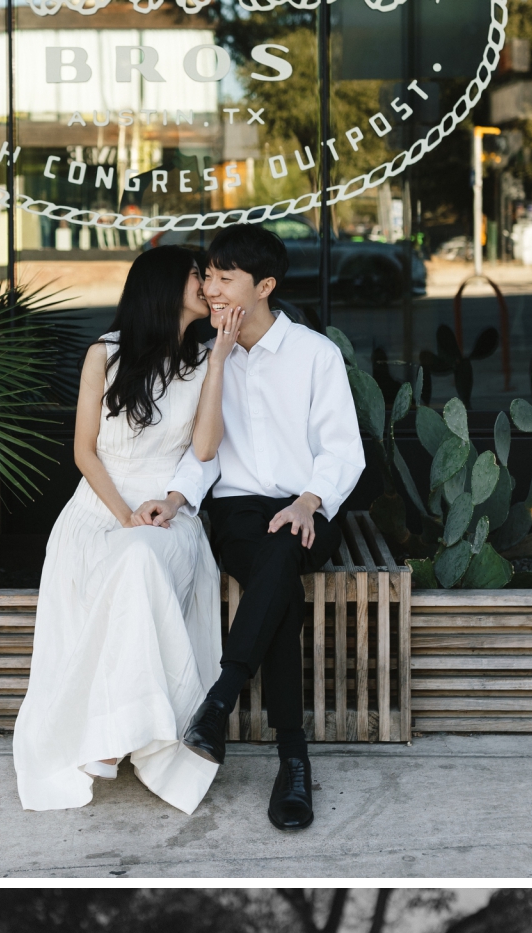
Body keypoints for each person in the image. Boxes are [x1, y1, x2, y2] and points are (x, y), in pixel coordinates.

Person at [133, 227, 366, 832]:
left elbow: (343, 450)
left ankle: (220, 702)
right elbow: (202, 451)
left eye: (224, 278)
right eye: (207, 276)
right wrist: (177, 498)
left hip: (310, 507)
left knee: (284, 547)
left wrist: (309, 502)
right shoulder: (207, 356)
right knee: (277, 574)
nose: (209, 288)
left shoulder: (316, 355)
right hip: (238, 514)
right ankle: (293, 758)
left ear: (264, 287)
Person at [12, 247, 223, 814]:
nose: (208, 284)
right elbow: (83, 452)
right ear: (163, 286)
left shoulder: (205, 362)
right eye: (197, 275)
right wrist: (123, 514)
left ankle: (107, 737)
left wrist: (222, 355)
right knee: (130, 556)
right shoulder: (103, 355)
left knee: (138, 559)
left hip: (168, 515)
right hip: (96, 508)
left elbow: (204, 450)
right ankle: (121, 730)